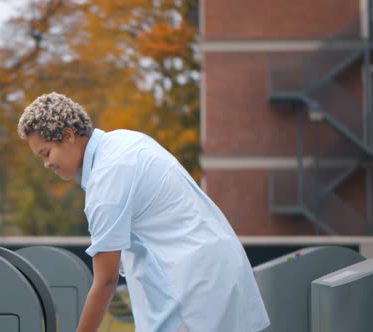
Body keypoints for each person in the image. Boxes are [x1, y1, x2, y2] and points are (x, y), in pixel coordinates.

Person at [17, 92, 270, 332]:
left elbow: (106, 280)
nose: (47, 163)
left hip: (193, 291)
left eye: (46, 153)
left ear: (69, 135)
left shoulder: (106, 180)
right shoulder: (123, 142)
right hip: (216, 270)